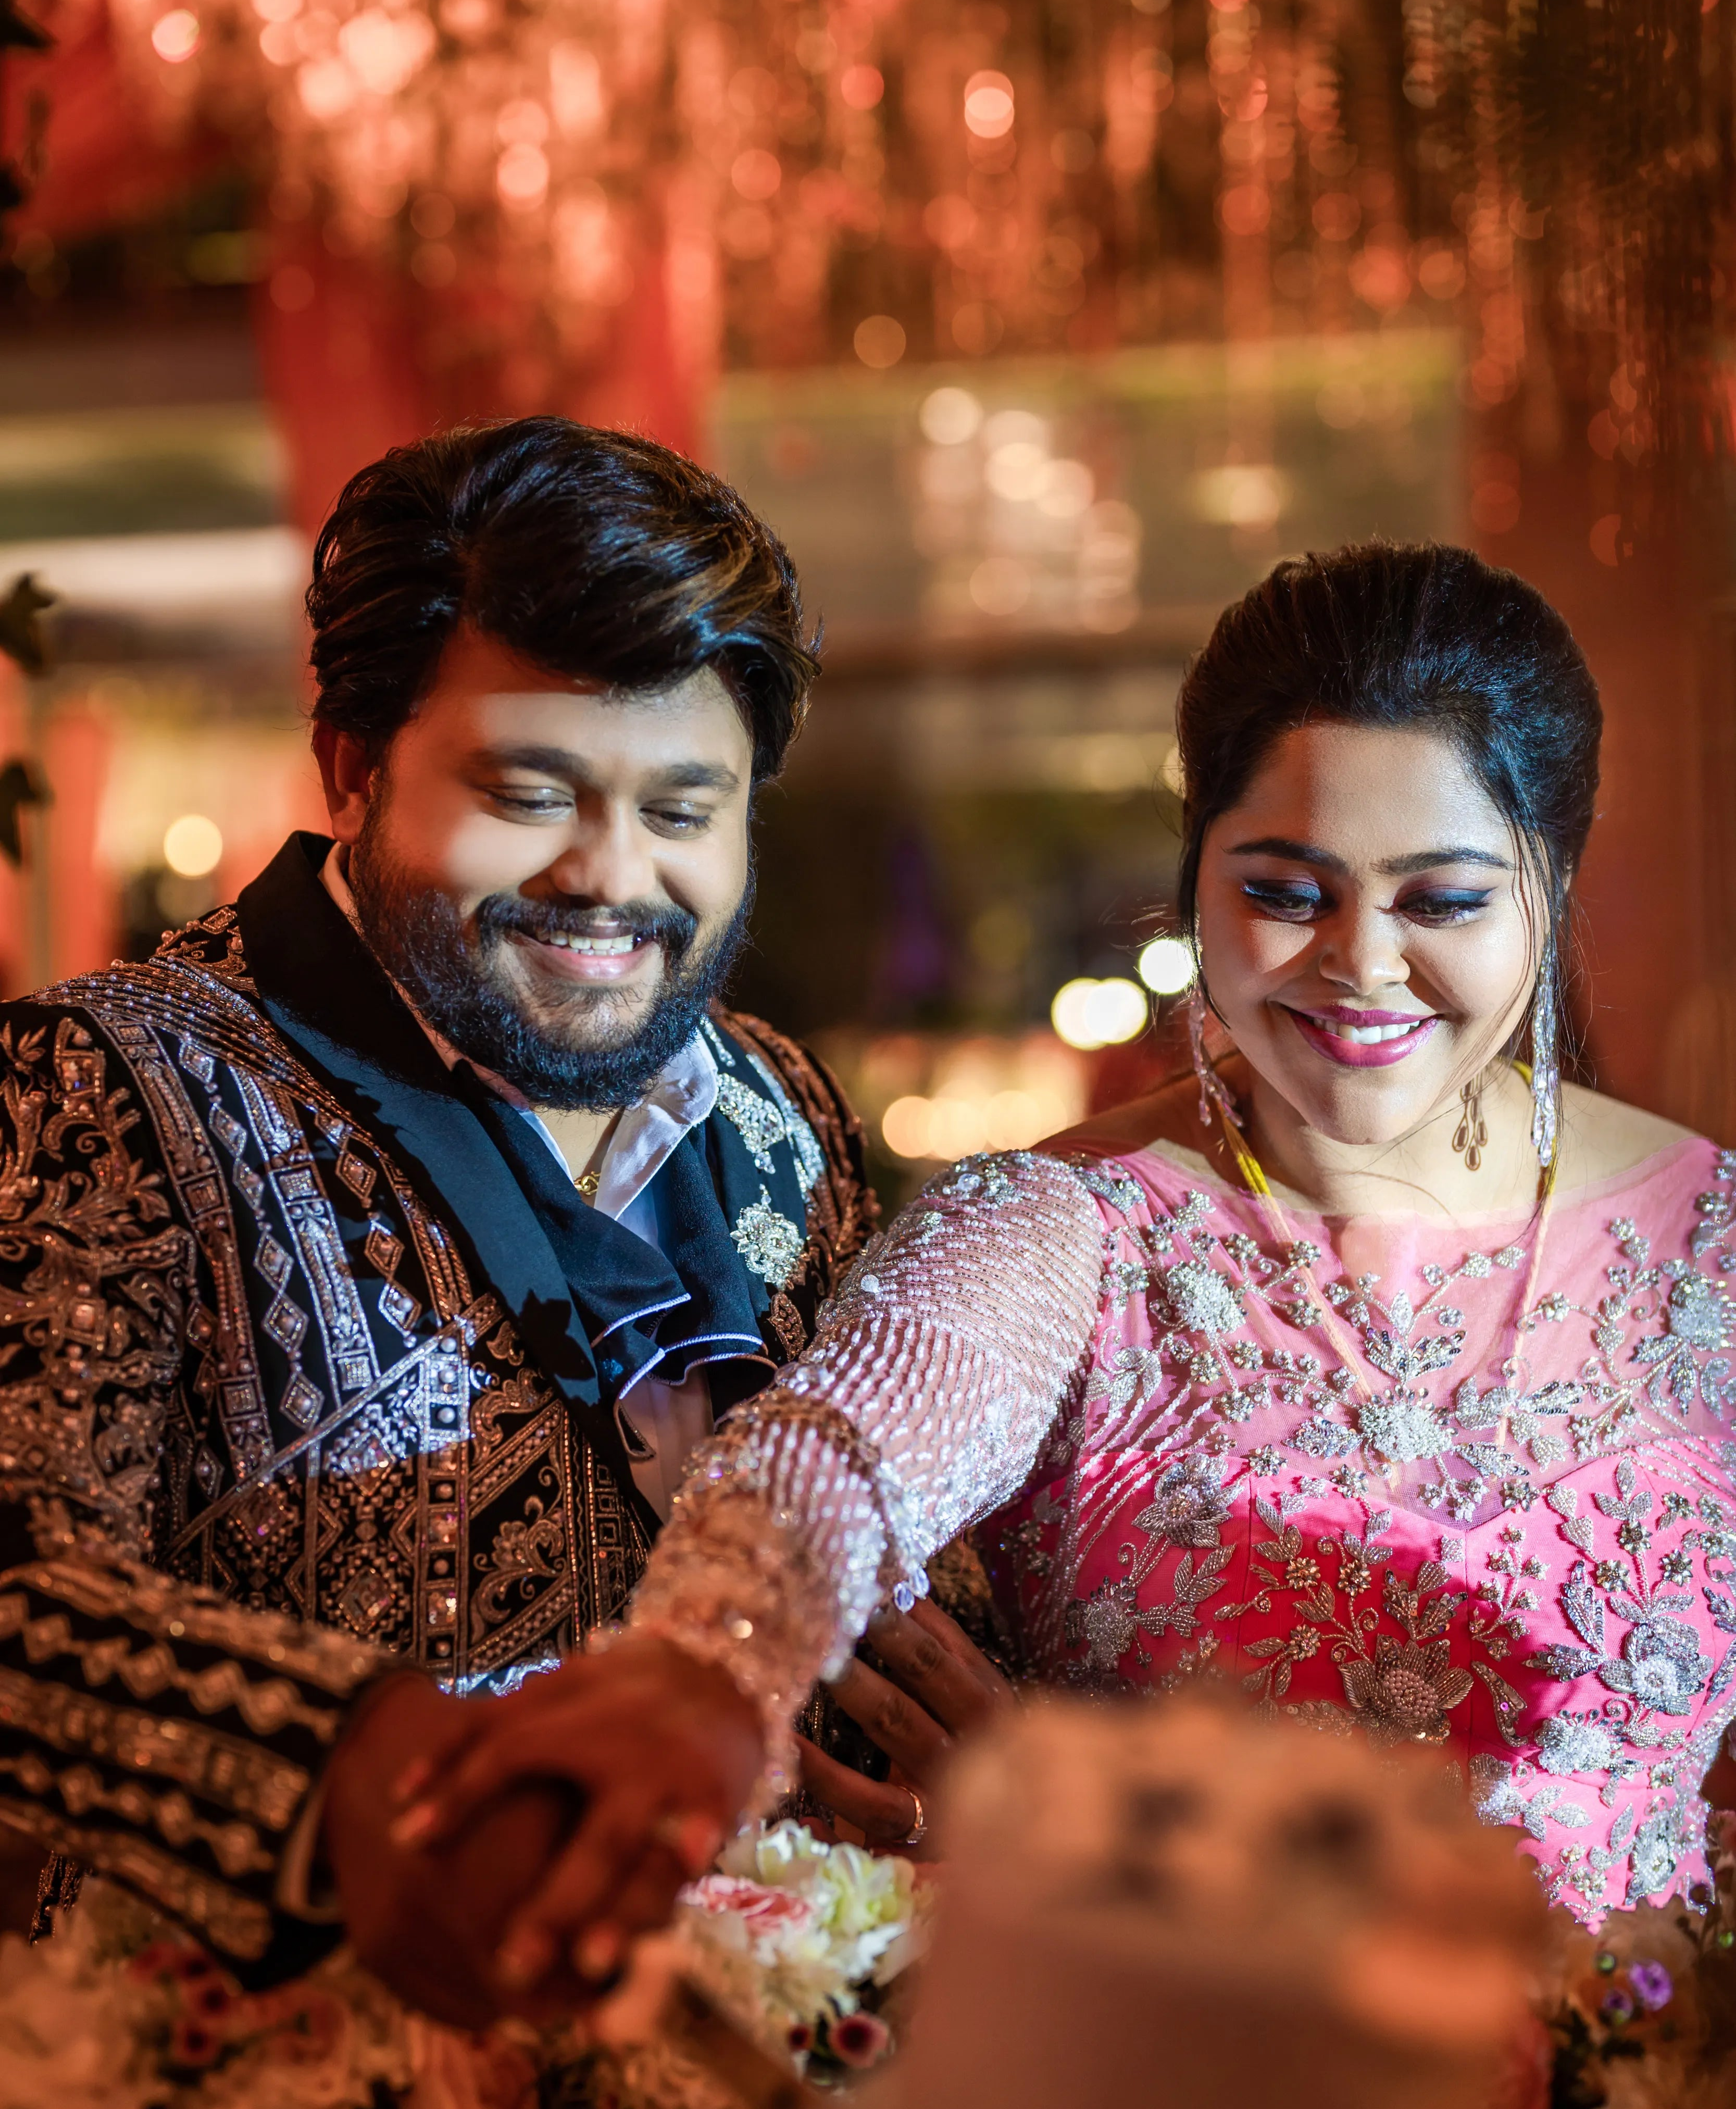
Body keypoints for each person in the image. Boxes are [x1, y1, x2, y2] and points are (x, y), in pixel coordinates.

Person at [410, 539, 1736, 1942]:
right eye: (1286, 891)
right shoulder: (1065, 1228)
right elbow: (834, 1465)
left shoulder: (1707, 1238)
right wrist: (691, 1685)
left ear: (1552, 881)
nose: (1359, 963)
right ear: (1197, 867)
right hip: (1175, 2107)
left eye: (1442, 900)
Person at [0, 417, 883, 2023]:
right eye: (531, 791)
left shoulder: (780, 1108)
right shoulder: (96, 1083)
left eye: (685, 811)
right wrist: (345, 1762)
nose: (610, 879)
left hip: (768, 2088)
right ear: (353, 766)